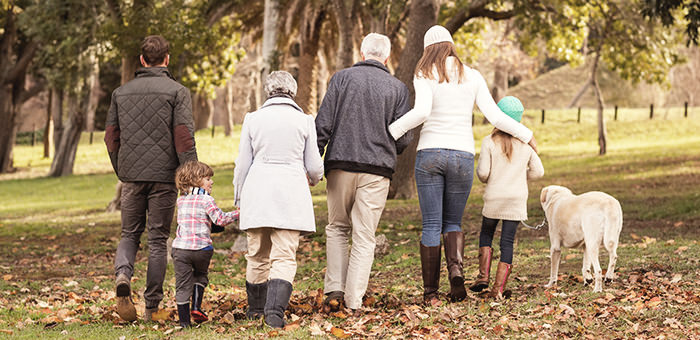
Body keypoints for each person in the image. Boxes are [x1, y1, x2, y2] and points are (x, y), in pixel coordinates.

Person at [388, 25, 538, 304]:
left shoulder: (424, 72)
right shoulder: (473, 76)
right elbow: (495, 116)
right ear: (451, 45)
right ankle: (456, 272)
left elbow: (421, 112)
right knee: (453, 222)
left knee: (431, 223)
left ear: (428, 48)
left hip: (430, 154)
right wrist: (527, 136)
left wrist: (390, 132)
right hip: (462, 156)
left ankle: (431, 293)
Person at [315, 33, 413, 313]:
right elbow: (404, 138)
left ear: (361, 54)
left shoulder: (341, 79)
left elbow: (323, 124)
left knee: (336, 228)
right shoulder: (397, 88)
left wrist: (313, 162)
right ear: (387, 57)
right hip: (377, 169)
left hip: (340, 165)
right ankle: (353, 301)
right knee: (364, 235)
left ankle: (334, 289)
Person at [105, 35, 197, 322]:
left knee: (129, 234)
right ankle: (150, 307)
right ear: (166, 59)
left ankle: (123, 274)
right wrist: (190, 173)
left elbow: (110, 137)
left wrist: (122, 168)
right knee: (158, 239)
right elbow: (183, 136)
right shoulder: (177, 91)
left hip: (132, 176)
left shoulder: (120, 93)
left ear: (142, 60)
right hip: (164, 177)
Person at [233, 71, 324, 328]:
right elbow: (315, 166)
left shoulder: (253, 119)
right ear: (292, 91)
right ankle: (274, 314)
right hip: (290, 192)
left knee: (257, 254)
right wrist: (314, 179)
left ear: (268, 91)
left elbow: (242, 164)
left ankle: (255, 310)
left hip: (257, 191)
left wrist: (239, 196)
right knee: (284, 255)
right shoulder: (305, 121)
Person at [471, 96, 544, 299]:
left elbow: (483, 173)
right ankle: (499, 289)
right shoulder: (526, 144)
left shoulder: (489, 141)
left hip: (494, 198)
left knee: (487, 234)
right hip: (515, 200)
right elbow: (538, 172)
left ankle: (483, 276)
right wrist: (520, 176)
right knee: (507, 242)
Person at [172, 161, 240, 327]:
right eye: (208, 178)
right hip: (202, 249)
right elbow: (220, 219)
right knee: (200, 275)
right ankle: (196, 307)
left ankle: (184, 323)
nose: (212, 182)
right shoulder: (206, 199)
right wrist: (239, 213)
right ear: (196, 180)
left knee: (182, 284)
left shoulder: (181, 201)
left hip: (180, 249)